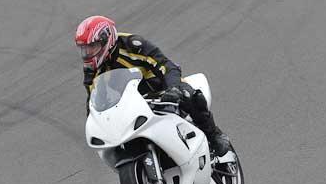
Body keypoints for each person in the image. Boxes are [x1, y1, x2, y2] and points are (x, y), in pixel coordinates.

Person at [75, 15, 230, 158]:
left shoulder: (132, 45)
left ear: (106, 39)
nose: (87, 53)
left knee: (190, 96)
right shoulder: (92, 70)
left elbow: (166, 65)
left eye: (92, 47)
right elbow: (93, 99)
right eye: (84, 49)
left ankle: (214, 135)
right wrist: (96, 123)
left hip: (162, 89)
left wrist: (174, 87)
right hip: (132, 104)